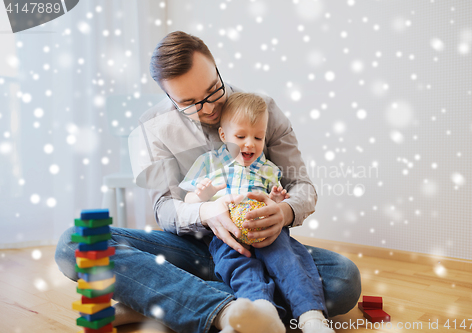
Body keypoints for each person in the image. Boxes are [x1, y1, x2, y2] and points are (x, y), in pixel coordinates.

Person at [54, 31, 361, 333]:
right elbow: (164, 209)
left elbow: (302, 186)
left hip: (261, 245)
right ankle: (227, 312)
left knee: (343, 280)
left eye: (214, 90)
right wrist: (206, 212)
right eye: (190, 103)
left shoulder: (262, 109)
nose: (210, 108)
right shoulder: (152, 129)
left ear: (216, 67)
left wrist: (284, 212)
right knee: (77, 243)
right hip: (193, 248)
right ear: (168, 96)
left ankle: (163, 301)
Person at [180, 91, 336, 333]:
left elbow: (279, 200)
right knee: (240, 268)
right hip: (227, 235)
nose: (250, 143)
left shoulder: (269, 169)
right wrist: (201, 195)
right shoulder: (209, 164)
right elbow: (188, 201)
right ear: (223, 135)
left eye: (258, 137)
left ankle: (311, 316)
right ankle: (258, 314)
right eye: (240, 136)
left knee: (289, 261)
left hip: (267, 232)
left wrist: (276, 200)